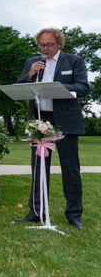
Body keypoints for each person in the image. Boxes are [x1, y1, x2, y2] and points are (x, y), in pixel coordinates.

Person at [15, 27, 89, 230]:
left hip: (65, 121)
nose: (44, 48)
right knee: (38, 168)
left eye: (48, 44)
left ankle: (74, 214)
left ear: (59, 44)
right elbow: (20, 86)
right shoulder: (32, 62)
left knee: (70, 169)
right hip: (40, 121)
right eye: (41, 44)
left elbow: (83, 86)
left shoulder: (74, 61)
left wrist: (58, 88)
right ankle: (36, 211)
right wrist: (30, 74)